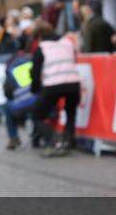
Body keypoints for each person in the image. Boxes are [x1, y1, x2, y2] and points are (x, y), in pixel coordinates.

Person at [30, 22, 81, 157]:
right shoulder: (67, 42)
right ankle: (68, 141)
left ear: (39, 36)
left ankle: (55, 141)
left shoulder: (42, 48)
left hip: (53, 84)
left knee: (37, 116)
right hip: (73, 82)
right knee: (71, 113)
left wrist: (35, 89)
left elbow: (35, 72)